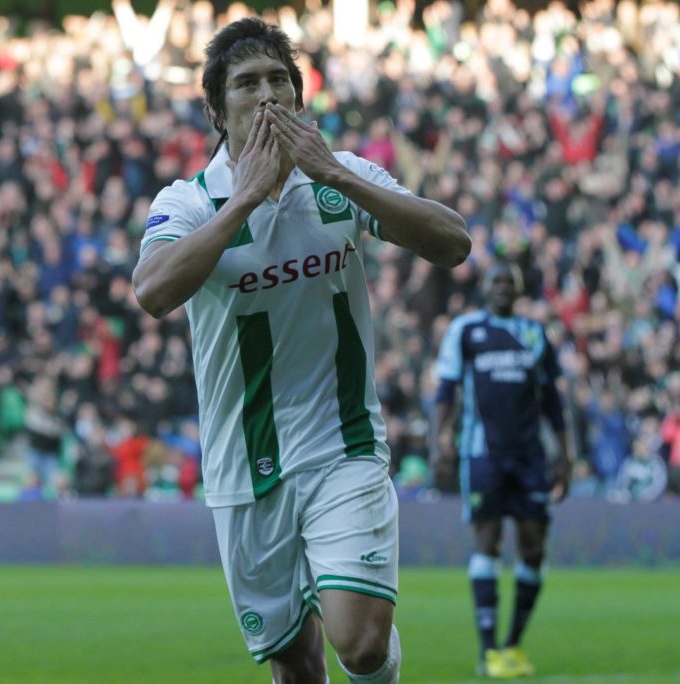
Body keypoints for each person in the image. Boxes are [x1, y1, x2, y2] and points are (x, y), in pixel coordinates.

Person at [132, 17, 470, 684]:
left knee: (361, 644)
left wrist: (334, 174)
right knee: (296, 665)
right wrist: (244, 201)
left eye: (278, 80)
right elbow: (152, 291)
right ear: (217, 110)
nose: (267, 95)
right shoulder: (190, 201)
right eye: (246, 83)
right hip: (244, 463)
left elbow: (453, 243)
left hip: (343, 444)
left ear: (298, 95)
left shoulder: (342, 177)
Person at [431, 262, 572, 679]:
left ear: (520, 288)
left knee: (533, 547)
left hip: (530, 457)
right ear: (485, 287)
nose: (504, 287)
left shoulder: (534, 333)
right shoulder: (466, 331)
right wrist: (439, 441)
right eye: (497, 281)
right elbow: (445, 390)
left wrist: (565, 455)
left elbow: (552, 401)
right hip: (483, 454)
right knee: (487, 541)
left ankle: (513, 644)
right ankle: (489, 650)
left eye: (511, 281)